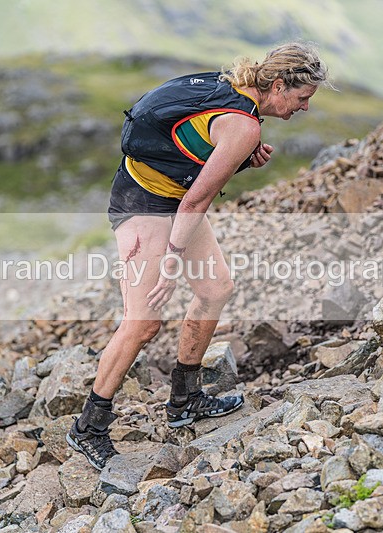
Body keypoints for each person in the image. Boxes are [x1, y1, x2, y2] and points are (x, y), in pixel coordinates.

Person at [67, 42, 329, 471]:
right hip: (145, 202)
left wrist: (243, 160)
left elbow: (195, 144)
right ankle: (88, 428)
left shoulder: (236, 91)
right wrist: (171, 260)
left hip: (169, 195)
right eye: (303, 99)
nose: (304, 108)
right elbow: (194, 203)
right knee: (143, 321)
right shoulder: (244, 125)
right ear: (278, 85)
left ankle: (185, 399)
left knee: (214, 288)